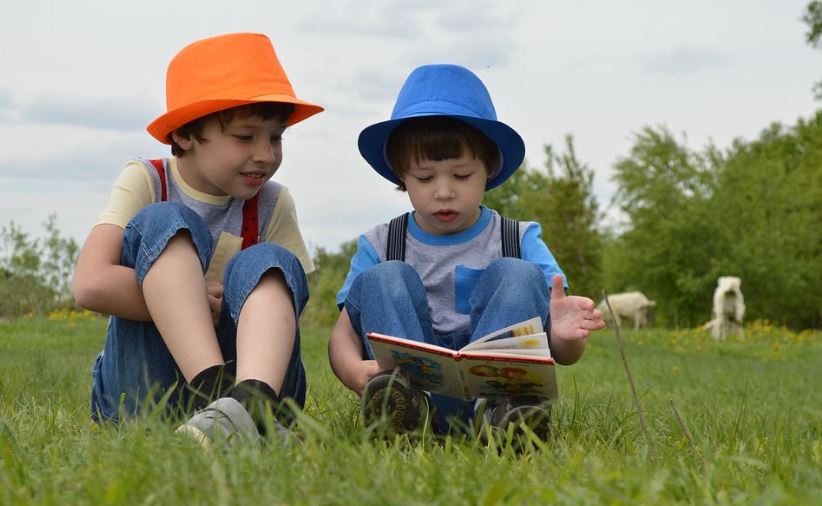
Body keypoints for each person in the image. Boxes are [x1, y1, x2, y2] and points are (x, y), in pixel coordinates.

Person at [72, 33, 323, 446]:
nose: (266, 154)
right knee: (165, 220)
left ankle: (250, 404)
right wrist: (187, 300)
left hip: (255, 377)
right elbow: (91, 283)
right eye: (246, 137)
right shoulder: (148, 180)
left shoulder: (273, 202)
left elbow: (289, 301)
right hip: (147, 391)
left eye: (276, 137)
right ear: (186, 134)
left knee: (270, 261)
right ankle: (221, 401)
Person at [328, 64, 605, 438]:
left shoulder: (518, 238)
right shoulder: (380, 243)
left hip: (496, 391)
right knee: (384, 277)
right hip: (413, 390)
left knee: (519, 274)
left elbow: (561, 351)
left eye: (461, 176)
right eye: (425, 178)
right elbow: (343, 334)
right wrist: (351, 370)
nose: (444, 191)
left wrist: (565, 339)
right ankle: (403, 414)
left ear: (489, 167)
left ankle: (505, 418)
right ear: (401, 174)